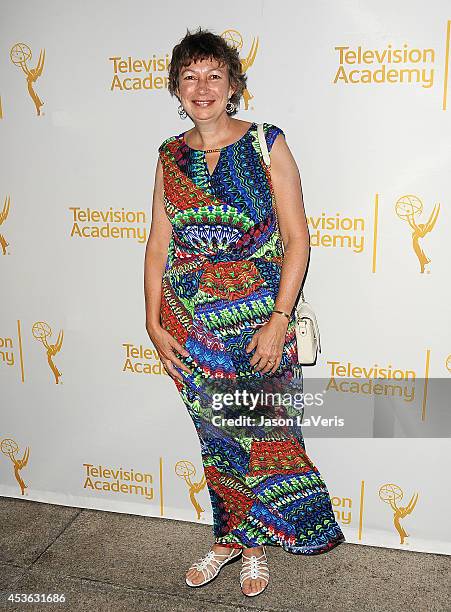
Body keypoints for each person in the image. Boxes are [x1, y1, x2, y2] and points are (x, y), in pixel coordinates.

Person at [144, 27, 345, 597]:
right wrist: (153, 323)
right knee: (218, 436)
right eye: (190, 77)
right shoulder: (168, 157)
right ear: (176, 88)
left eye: (213, 75)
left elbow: (296, 238)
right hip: (192, 326)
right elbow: (159, 246)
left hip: (260, 320)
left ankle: (258, 540)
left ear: (232, 84)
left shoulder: (266, 142)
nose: (202, 87)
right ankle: (236, 539)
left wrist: (279, 319)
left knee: (268, 433)